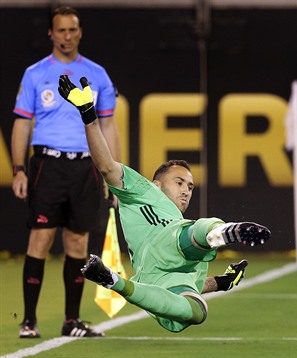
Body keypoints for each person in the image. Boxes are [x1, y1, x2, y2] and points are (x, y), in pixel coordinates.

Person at [57, 75, 271, 333]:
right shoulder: (145, 190)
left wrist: (223, 282)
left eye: (190, 187)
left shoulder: (182, 230)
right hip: (163, 244)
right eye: (179, 182)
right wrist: (89, 117)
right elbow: (105, 165)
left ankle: (112, 280)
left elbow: (191, 280)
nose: (186, 190)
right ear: (157, 183)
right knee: (194, 231)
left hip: (153, 282)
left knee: (195, 312)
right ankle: (227, 231)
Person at [11, 6, 120, 338]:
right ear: (51, 33)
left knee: (77, 243)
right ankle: (29, 320)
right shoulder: (35, 74)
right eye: (61, 31)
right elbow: (21, 123)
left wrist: (113, 173)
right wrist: (18, 169)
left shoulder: (98, 74)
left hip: (86, 166)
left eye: (72, 30)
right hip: (48, 164)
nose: (67, 36)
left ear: (80, 32)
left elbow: (108, 123)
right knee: (40, 239)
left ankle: (71, 321)